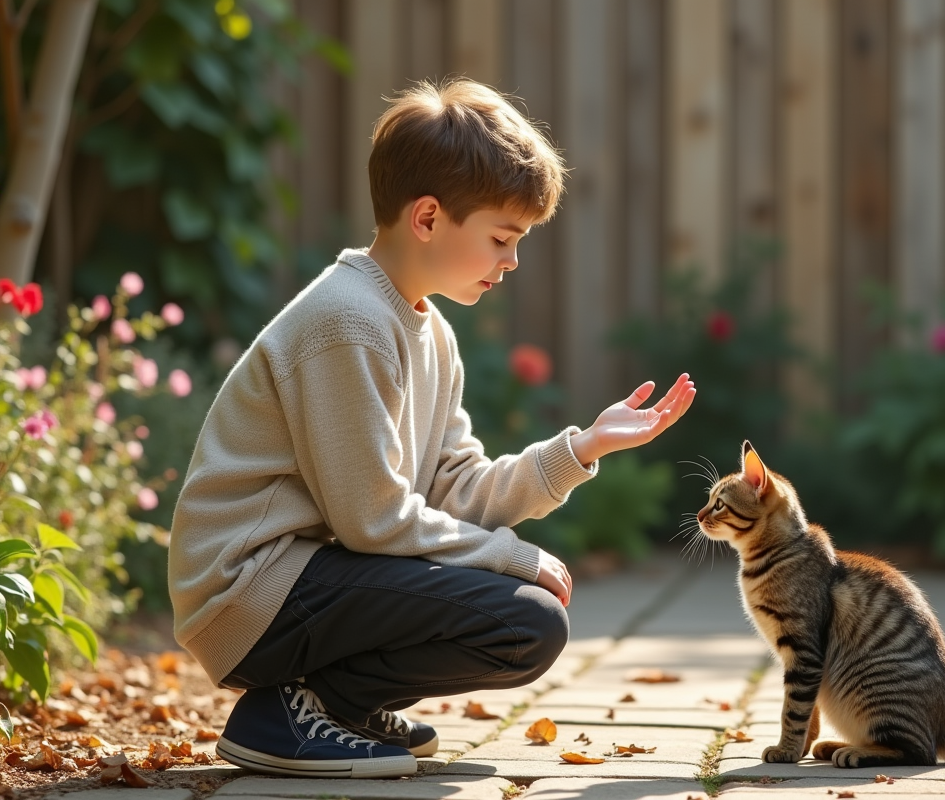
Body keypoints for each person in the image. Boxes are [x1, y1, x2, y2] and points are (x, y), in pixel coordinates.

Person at [167, 78, 696, 779]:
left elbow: (453, 488)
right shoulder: (348, 323)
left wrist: (582, 447)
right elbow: (375, 521)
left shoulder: (427, 331)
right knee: (525, 621)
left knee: (530, 617)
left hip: (306, 577)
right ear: (426, 219)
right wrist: (510, 556)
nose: (512, 261)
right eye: (502, 238)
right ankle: (290, 716)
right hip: (246, 591)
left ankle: (333, 707)